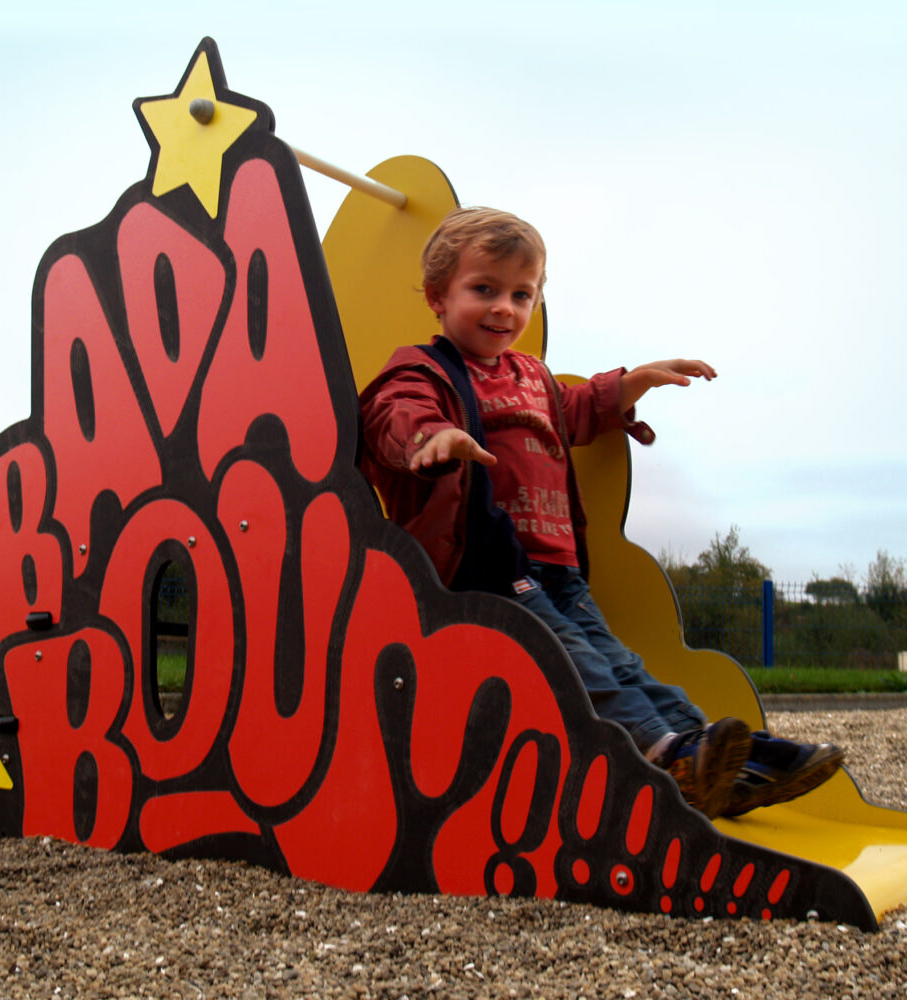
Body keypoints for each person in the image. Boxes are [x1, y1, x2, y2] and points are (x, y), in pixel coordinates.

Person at [358, 206, 843, 820]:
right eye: (483, 290)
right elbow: (390, 410)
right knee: (576, 664)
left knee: (620, 661)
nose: (504, 308)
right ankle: (668, 756)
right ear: (438, 296)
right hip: (488, 563)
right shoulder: (426, 370)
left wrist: (629, 384)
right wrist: (429, 437)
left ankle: (721, 756)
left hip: (558, 566)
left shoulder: (529, 376)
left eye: (520, 294)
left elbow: (576, 407)